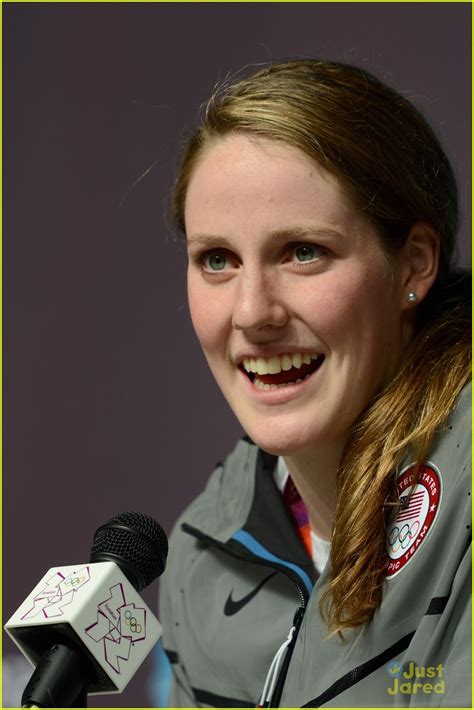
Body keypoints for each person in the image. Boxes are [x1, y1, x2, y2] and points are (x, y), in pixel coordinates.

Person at [158, 59, 471, 708]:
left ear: (414, 264)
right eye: (217, 260)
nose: (252, 313)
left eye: (303, 252)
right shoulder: (200, 557)